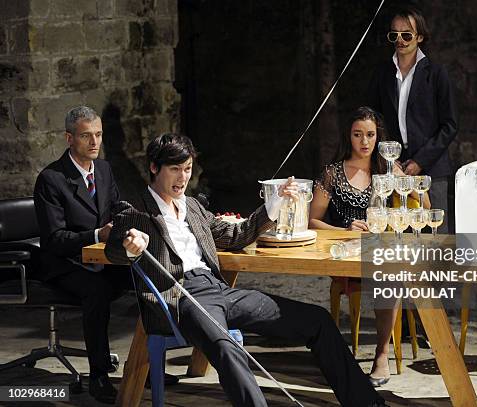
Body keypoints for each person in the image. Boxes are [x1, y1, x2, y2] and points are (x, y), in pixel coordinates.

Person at [104, 133, 388, 407]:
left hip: (217, 290)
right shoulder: (136, 210)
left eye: (188, 169)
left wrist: (274, 205)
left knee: (318, 320)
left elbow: (237, 234)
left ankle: (366, 402)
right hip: (181, 298)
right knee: (227, 346)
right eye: (175, 169)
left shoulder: (192, 206)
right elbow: (115, 248)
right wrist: (131, 246)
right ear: (154, 168)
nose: (183, 178)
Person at [308, 106, 429, 387]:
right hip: (344, 252)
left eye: (370, 135)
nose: (364, 142)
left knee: (390, 275)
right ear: (348, 136)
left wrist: (406, 183)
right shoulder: (333, 173)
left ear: (379, 138)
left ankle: (382, 354)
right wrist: (345, 230)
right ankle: (339, 354)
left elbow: (425, 207)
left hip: (380, 252)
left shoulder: (387, 170)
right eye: (358, 134)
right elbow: (312, 221)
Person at [33, 106, 129, 403]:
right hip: (63, 263)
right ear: (69, 138)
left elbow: (114, 207)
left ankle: (144, 365)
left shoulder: (103, 169)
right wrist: (96, 235)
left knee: (144, 277)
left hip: (99, 257)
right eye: (86, 136)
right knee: (97, 291)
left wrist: (130, 219)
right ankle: (98, 375)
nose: (94, 142)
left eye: (98, 135)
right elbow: (55, 240)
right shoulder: (51, 179)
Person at [367, 6, 457, 233]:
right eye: (394, 35)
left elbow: (450, 125)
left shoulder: (436, 73)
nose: (400, 40)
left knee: (436, 237)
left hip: (431, 169)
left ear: (420, 37)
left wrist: (420, 161)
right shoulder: (382, 73)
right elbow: (373, 119)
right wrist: (387, 158)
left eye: (406, 35)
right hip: (394, 167)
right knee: (398, 235)